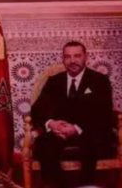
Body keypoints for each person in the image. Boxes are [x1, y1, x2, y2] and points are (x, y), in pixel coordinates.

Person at [30, 41, 115, 188]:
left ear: (85, 57)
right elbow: (37, 109)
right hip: (58, 132)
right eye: (68, 57)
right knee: (43, 145)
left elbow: (104, 114)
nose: (72, 60)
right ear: (63, 59)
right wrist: (52, 124)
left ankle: (85, 185)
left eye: (77, 56)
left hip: (88, 131)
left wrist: (76, 128)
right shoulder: (54, 81)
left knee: (92, 143)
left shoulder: (100, 81)